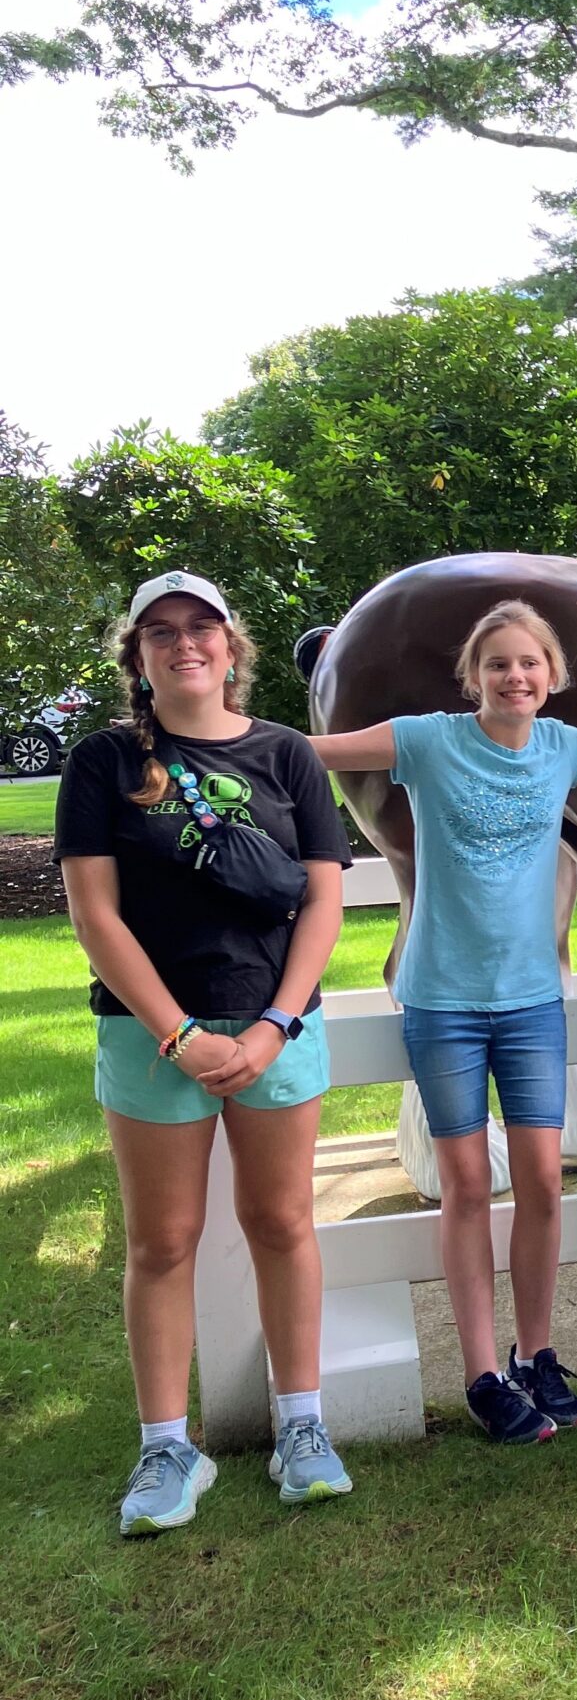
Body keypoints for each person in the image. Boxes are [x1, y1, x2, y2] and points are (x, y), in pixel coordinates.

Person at [54, 572, 354, 1535]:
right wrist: (177, 1035)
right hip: (151, 1035)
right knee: (162, 1241)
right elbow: (95, 916)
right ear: (137, 655)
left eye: (202, 628)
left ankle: (301, 1427)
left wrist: (274, 1024)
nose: (185, 644)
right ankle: (165, 1448)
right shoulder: (103, 762)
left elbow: (323, 903)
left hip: (277, 1028)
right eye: (162, 632)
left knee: (282, 1222)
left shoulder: (288, 756)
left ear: (233, 647)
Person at [309, 600, 577, 1445]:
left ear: (553, 675)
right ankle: (482, 1374)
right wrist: (206, 733)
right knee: (469, 1185)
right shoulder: (428, 739)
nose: (516, 677)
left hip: (532, 1004)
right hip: (443, 1001)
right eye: (499, 664)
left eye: (531, 663)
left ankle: (536, 1355)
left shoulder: (564, 749)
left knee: (545, 1183)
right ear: (473, 676)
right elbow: (308, 751)